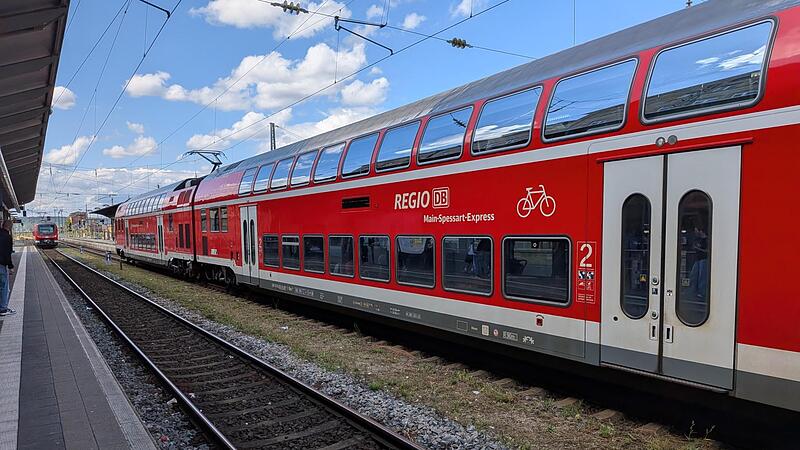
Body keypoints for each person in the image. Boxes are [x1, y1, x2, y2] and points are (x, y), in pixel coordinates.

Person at [0, 220, 14, 316]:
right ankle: (3, 309)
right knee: (4, 286)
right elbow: (7, 253)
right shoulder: (7, 237)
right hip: (1, 264)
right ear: (10, 227)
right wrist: (10, 266)